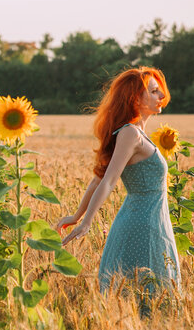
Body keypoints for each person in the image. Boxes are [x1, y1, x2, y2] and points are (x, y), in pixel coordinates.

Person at [58, 67, 179, 316]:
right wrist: (85, 221)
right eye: (154, 91)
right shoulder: (130, 133)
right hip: (141, 224)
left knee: (150, 294)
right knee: (141, 296)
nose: (161, 96)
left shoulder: (138, 134)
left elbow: (98, 178)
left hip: (152, 221)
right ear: (135, 98)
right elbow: (108, 180)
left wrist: (77, 215)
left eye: (160, 91)